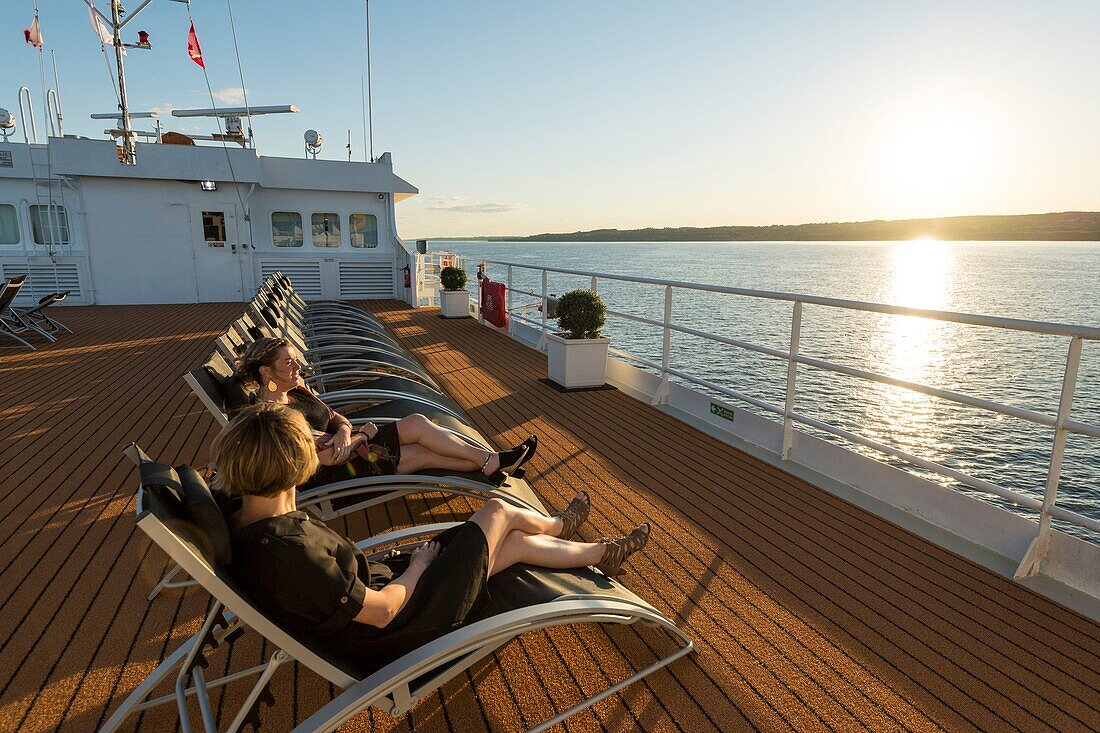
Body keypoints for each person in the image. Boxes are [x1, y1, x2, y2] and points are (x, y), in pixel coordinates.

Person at [212, 403, 650, 666]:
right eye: (309, 443)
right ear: (295, 463)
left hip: (385, 587)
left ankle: (599, 552)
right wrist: (419, 567)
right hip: (407, 621)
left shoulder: (245, 517)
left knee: (510, 545)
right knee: (498, 510)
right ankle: (559, 525)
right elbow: (381, 612)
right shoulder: (294, 554)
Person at [233, 337, 533, 487]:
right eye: (288, 363)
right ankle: (491, 463)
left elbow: (336, 418)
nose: (298, 367)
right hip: (340, 472)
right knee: (420, 453)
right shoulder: (277, 416)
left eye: (296, 360)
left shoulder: (296, 389)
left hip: (355, 448)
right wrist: (363, 433)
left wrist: (348, 431)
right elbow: (327, 456)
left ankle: (491, 463)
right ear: (266, 372)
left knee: (417, 427)